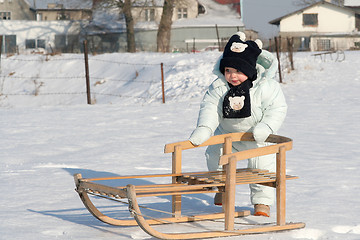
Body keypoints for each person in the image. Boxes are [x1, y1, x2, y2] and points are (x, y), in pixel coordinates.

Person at [189, 32, 287, 217]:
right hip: (227, 134)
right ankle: (221, 188)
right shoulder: (219, 87)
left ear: (250, 70)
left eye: (239, 71)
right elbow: (210, 108)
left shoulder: (266, 87)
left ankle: (262, 202)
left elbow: (277, 109)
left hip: (256, 135)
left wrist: (266, 127)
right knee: (215, 154)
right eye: (228, 71)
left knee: (261, 165)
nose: (232, 76)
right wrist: (205, 128)